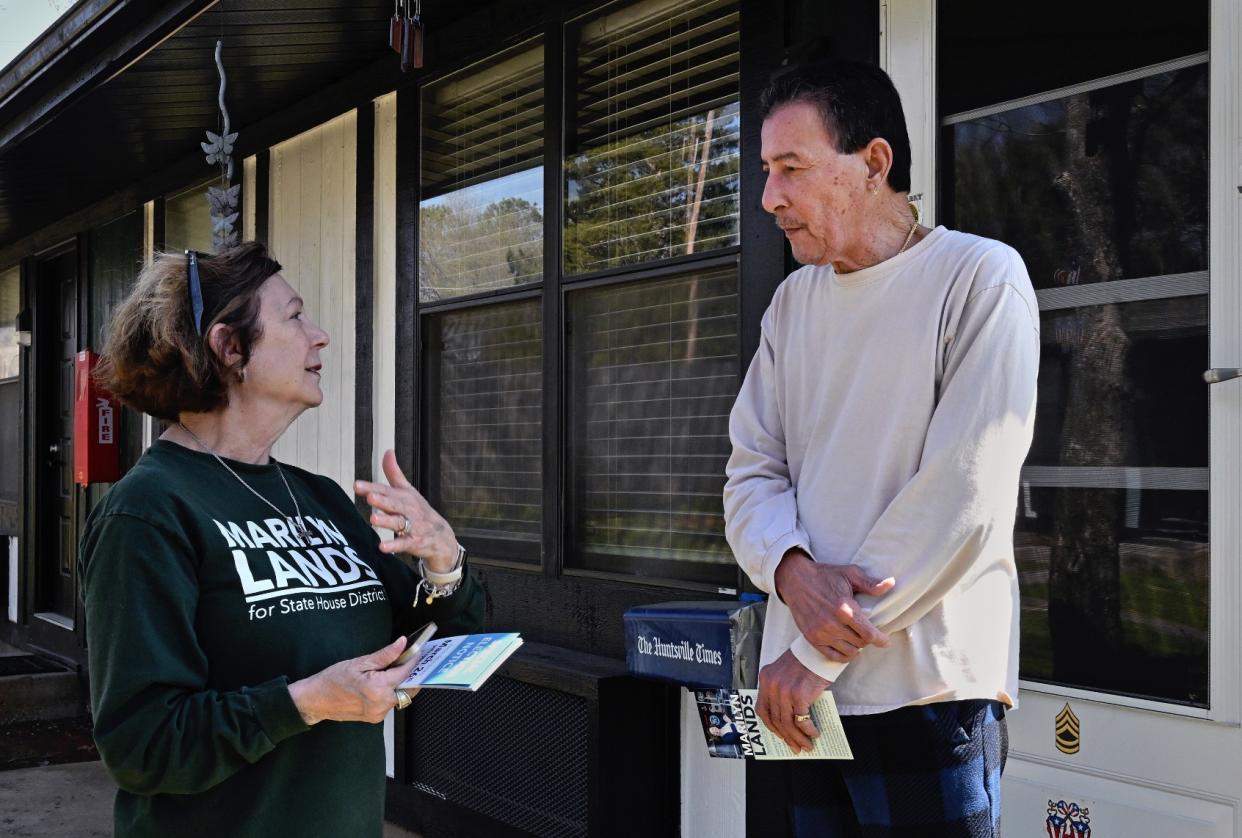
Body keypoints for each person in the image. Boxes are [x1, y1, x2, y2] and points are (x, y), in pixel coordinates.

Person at [723, 60, 1039, 836]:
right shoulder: (793, 305)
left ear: (873, 163)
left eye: (791, 169)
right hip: (793, 692)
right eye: (767, 172)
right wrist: (790, 574)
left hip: (925, 689)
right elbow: (749, 472)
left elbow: (964, 494)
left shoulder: (979, 278)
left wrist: (815, 654)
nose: (770, 198)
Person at [79, 242, 484, 837]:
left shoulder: (317, 497)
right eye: (294, 316)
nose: (319, 336)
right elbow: (142, 747)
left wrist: (443, 561)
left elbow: (446, 640)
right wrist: (304, 702)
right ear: (229, 346)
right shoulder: (147, 512)